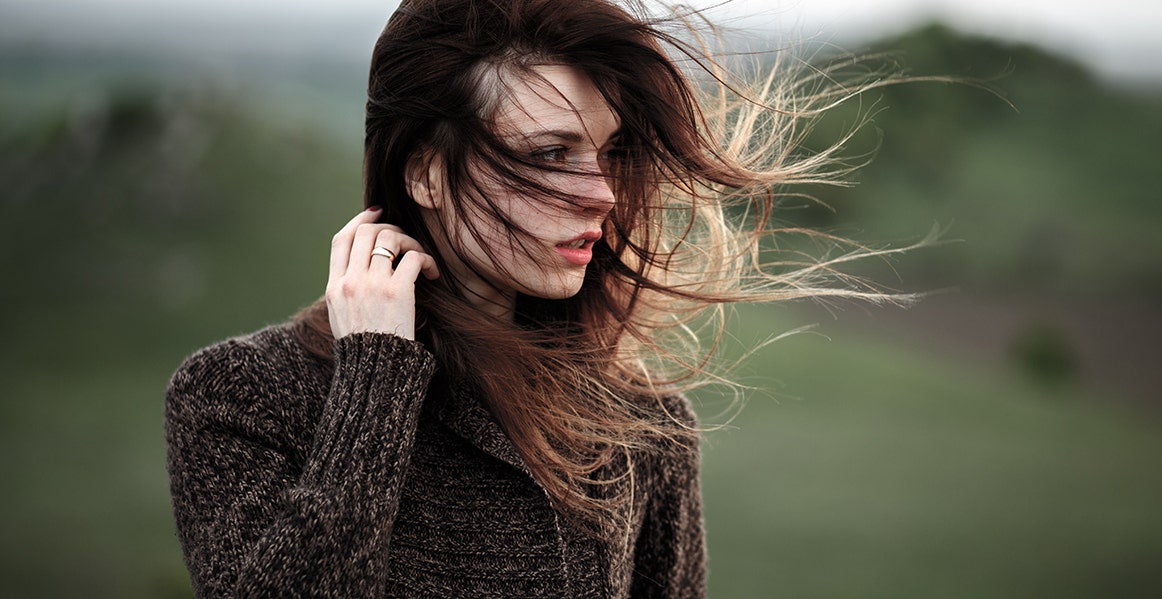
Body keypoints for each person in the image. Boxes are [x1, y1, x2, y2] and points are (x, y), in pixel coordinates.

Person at [165, 0, 905, 596]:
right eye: (550, 155)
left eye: (609, 152)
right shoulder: (240, 396)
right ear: (426, 173)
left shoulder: (642, 428)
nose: (602, 195)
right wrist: (374, 382)